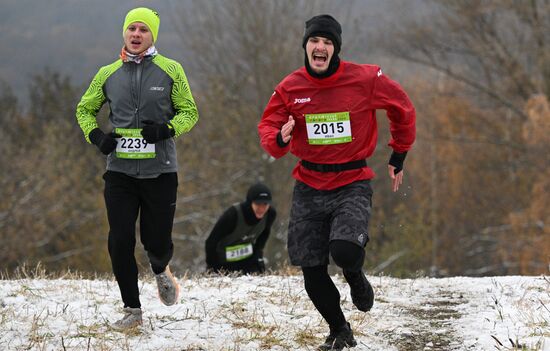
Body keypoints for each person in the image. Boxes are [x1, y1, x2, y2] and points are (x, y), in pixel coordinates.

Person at [258, 14, 416, 351]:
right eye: (315, 41)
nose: (320, 47)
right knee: (311, 270)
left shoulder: (365, 78)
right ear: (306, 47)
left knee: (344, 250)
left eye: (328, 42)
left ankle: (355, 276)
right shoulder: (290, 87)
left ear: (336, 49)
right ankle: (339, 330)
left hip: (352, 181)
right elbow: (268, 128)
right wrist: (280, 139)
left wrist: (398, 154)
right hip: (309, 184)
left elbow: (402, 107)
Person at [75, 7, 199, 330]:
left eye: (144, 29)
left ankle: (160, 269)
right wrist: (97, 136)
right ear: (124, 34)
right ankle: (132, 311)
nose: (136, 34)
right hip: (120, 173)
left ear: (152, 35)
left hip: (160, 171)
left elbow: (190, 112)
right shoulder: (107, 73)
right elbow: (84, 109)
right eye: (132, 29)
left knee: (156, 243)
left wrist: (166, 130)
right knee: (119, 240)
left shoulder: (171, 70)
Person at [205, 183, 277, 274]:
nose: (262, 208)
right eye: (258, 203)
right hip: (224, 263)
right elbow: (211, 242)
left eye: (265, 204)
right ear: (250, 202)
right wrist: (213, 268)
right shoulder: (233, 215)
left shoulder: (270, 214)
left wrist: (258, 256)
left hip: (247, 260)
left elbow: (264, 235)